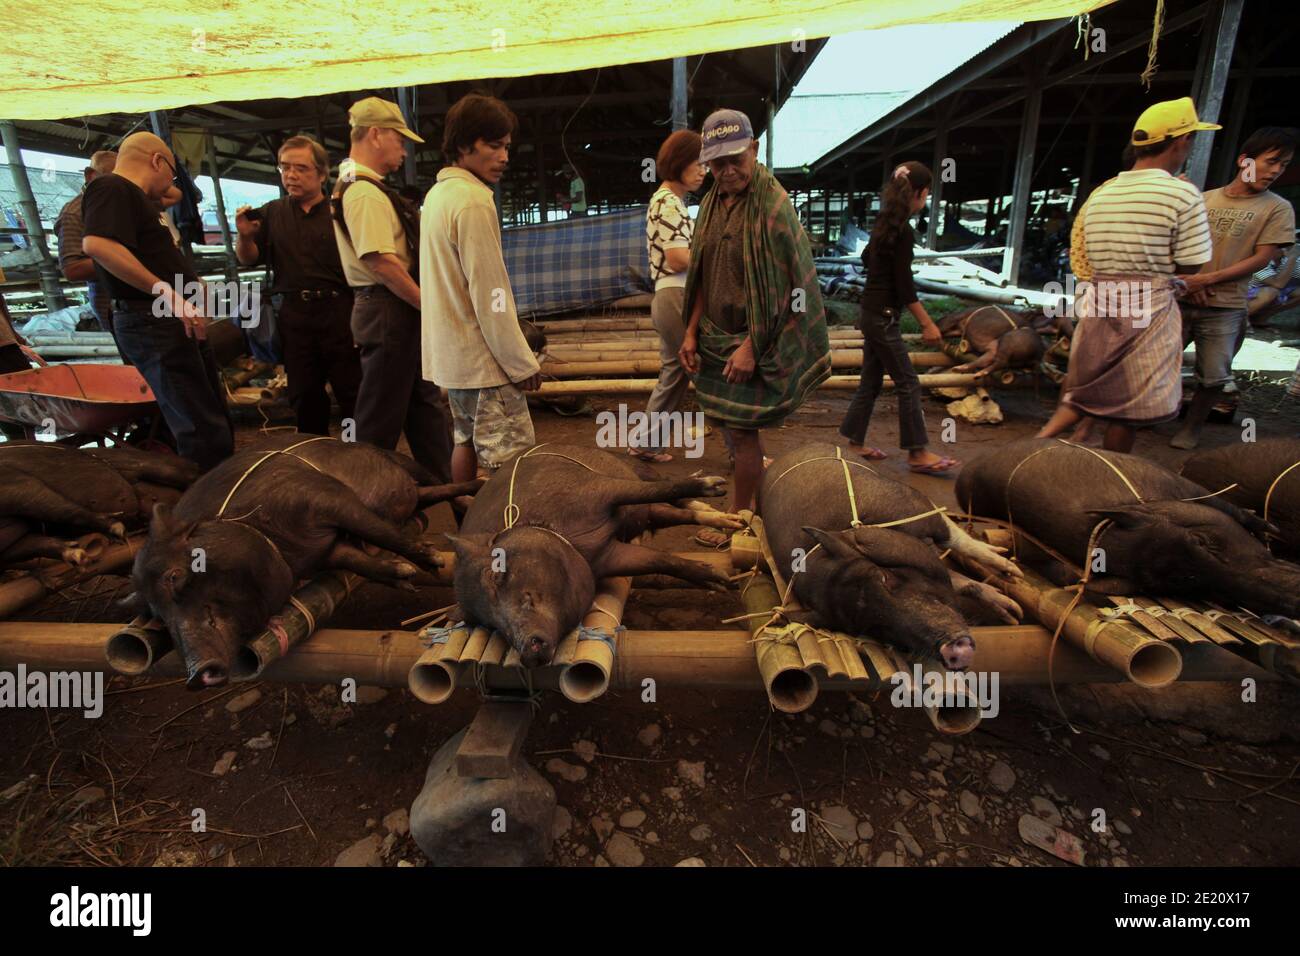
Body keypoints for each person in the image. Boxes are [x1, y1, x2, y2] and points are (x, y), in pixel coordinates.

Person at [1037, 96, 1216, 453]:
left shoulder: (1102, 194)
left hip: (1101, 297)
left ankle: (1036, 445)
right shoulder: (1182, 194)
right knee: (1128, 403)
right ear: (1181, 141)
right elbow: (1192, 264)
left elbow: (1084, 251)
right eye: (1191, 138)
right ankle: (1114, 470)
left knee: (1086, 388)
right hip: (1147, 303)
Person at [679, 108, 831, 519]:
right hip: (714, 337)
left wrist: (751, 347)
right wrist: (691, 332)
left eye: (736, 160)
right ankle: (755, 506)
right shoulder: (711, 204)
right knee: (732, 430)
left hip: (755, 340)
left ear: (754, 148)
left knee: (744, 436)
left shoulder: (774, 206)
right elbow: (701, 276)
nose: (728, 171)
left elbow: (791, 289)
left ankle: (739, 515)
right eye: (717, 163)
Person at [81, 131, 233, 470]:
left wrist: (188, 287)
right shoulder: (111, 188)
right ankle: (206, 506)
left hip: (168, 319)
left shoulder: (137, 200)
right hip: (151, 320)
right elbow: (98, 246)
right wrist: (168, 293)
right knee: (197, 422)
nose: (170, 183)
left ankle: (223, 488)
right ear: (156, 161)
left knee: (209, 413)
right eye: (171, 173)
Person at [332, 96, 453, 482]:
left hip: (392, 310)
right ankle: (361, 505)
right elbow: (380, 261)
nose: (403, 149)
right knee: (378, 421)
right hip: (388, 309)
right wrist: (426, 304)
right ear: (376, 134)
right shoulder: (363, 191)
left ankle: (454, 493)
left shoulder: (364, 186)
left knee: (426, 408)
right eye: (399, 139)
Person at [420, 93, 541, 481]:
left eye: (506, 146)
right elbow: (491, 295)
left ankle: (467, 529)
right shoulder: (472, 201)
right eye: (493, 145)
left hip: (455, 358)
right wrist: (521, 363)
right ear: (463, 145)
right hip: (484, 361)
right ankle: (501, 538)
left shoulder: (438, 196)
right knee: (511, 464)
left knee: (465, 442)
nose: (504, 156)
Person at [1170, 126, 1297, 449]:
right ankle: (1155, 415)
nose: (1275, 171)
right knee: (1160, 363)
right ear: (1245, 160)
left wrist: (1207, 279)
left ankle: (1192, 428)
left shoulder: (1277, 208)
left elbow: (1263, 258)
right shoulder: (1204, 199)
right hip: (1183, 297)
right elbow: (1178, 245)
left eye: (1283, 165)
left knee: (1214, 375)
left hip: (1227, 304)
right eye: (1271, 161)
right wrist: (1192, 280)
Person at [235, 134, 362, 436]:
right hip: (295, 315)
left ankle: (355, 449)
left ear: (321, 173)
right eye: (284, 167)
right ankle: (314, 450)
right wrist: (245, 236)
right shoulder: (272, 212)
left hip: (340, 311)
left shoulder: (339, 211)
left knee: (351, 391)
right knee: (305, 393)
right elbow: (248, 259)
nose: (291, 175)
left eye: (301, 168)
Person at [839, 161, 956, 474]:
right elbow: (905, 286)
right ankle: (917, 453)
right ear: (917, 193)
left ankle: (854, 442)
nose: (926, 198)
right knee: (908, 382)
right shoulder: (902, 232)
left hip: (870, 311)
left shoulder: (884, 224)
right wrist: (927, 323)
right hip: (884, 316)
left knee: (871, 382)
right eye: (927, 193)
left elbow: (866, 259)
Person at [630, 129, 706, 463]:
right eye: (698, 162)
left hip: (668, 297)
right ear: (679, 162)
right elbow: (677, 258)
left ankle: (647, 442)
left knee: (675, 372)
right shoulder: (669, 202)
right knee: (706, 371)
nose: (703, 170)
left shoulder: (668, 200)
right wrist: (713, 255)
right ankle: (743, 450)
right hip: (676, 295)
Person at [54, 150, 118, 333]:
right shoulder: (75, 213)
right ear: (91, 176)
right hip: (111, 301)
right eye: (115, 178)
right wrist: (125, 258)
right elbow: (72, 269)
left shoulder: (120, 204)